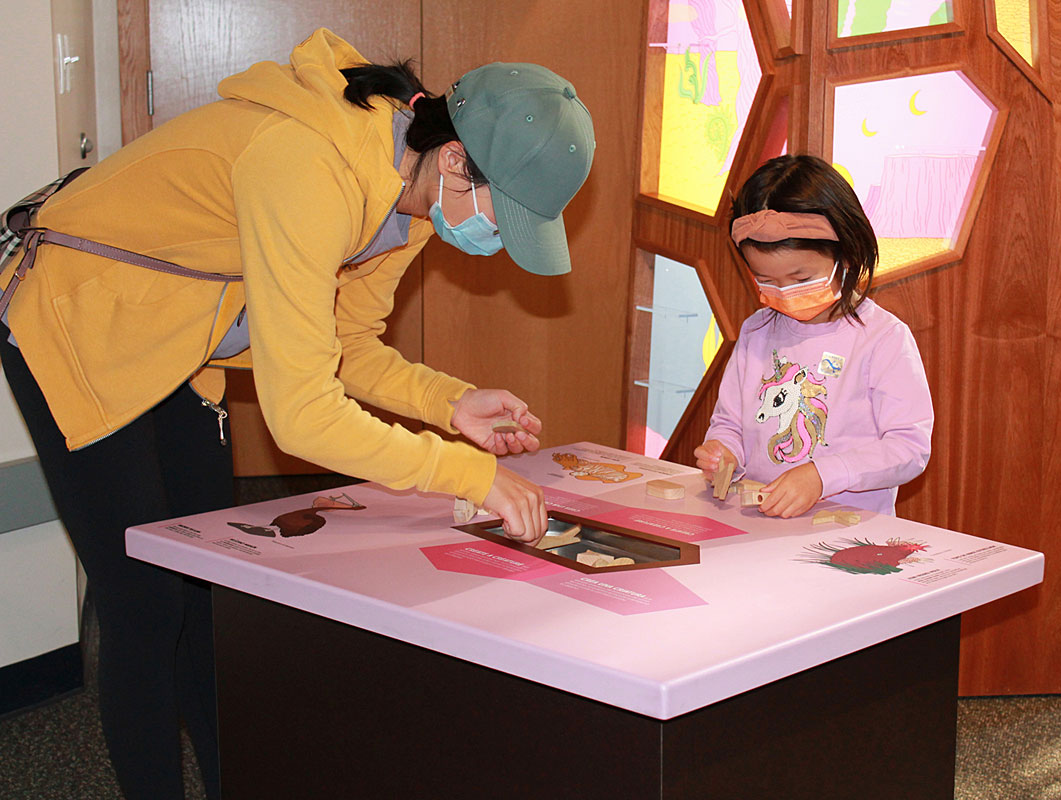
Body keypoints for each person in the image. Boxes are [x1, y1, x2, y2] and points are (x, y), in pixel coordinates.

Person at [0, 28, 594, 800]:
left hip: (187, 331)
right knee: (143, 600)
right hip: (81, 318)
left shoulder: (413, 195)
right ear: (455, 159)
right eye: (500, 213)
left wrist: (447, 402)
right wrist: (465, 472)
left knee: (205, 581)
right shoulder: (312, 166)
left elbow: (346, 344)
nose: (493, 238)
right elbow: (304, 415)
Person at [694, 154, 933, 518]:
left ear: (847, 256)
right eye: (767, 281)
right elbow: (731, 424)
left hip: (848, 533)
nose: (785, 293)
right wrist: (722, 451)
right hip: (761, 530)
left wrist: (822, 476)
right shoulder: (757, 331)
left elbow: (908, 448)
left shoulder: (882, 339)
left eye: (801, 279)